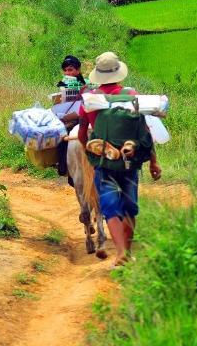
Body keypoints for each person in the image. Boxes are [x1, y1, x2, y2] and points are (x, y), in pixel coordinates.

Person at [77, 52, 161, 268]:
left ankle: (120, 252)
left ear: (98, 75)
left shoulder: (91, 100)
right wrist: (153, 160)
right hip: (130, 162)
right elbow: (145, 130)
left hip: (104, 164)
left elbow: (82, 134)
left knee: (111, 208)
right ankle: (128, 252)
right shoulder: (132, 95)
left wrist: (92, 152)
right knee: (129, 207)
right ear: (118, 73)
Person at [55, 55, 88, 178]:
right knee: (59, 135)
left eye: (71, 69)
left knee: (63, 134)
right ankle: (61, 164)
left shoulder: (86, 85)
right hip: (69, 116)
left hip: (81, 116)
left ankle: (62, 166)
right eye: (66, 70)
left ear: (78, 70)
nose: (68, 72)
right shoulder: (62, 85)